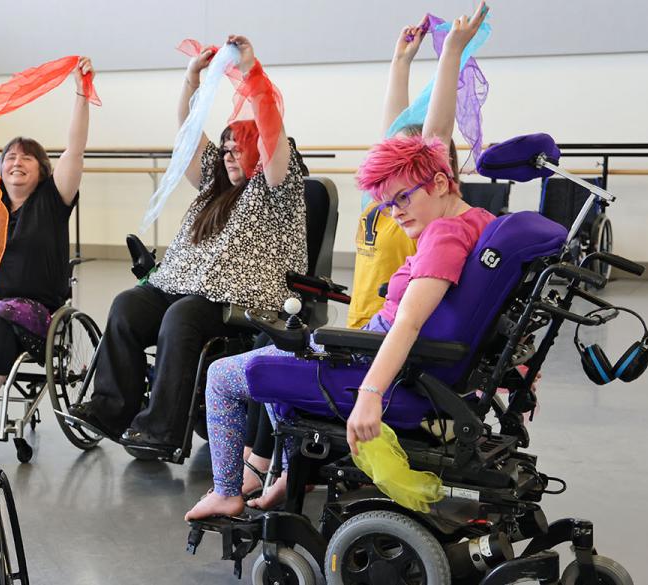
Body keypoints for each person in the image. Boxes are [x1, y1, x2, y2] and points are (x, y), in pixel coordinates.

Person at [187, 134, 494, 520]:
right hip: (377, 350)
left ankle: (227, 492)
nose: (395, 213)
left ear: (439, 183)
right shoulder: (479, 220)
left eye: (403, 198)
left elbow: (408, 323)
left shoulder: (443, 236)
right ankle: (289, 472)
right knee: (275, 355)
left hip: (369, 360)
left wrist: (369, 394)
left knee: (222, 375)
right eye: (387, 204)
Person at [69, 36, 306, 452]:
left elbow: (272, 132)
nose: (231, 156)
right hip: (182, 286)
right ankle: (110, 409)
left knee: (182, 317)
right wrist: (190, 81)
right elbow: (189, 135)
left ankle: (161, 430)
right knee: (127, 305)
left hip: (241, 300)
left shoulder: (275, 187)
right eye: (227, 148)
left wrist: (253, 75)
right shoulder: (213, 188)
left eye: (241, 149)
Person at [0, 57, 93, 449]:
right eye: (9, 156)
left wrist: (80, 94)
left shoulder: (53, 199)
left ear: (42, 169)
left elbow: (75, 149)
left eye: (26, 156)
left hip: (36, 310)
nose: (16, 161)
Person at [349, 4, 485, 328]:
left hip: (390, 334)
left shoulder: (422, 212)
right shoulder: (382, 202)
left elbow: (437, 132)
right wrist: (400, 62)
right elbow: (391, 134)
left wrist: (451, 52)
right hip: (358, 328)